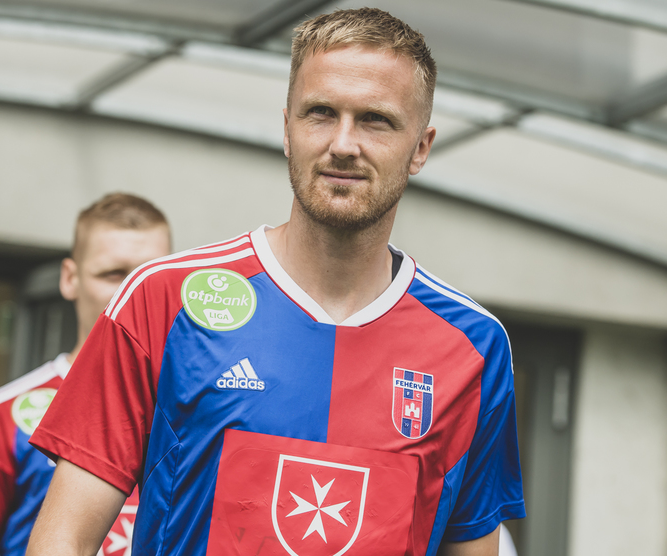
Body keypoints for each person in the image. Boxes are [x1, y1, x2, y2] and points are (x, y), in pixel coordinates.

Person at [28, 8, 525, 556]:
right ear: (287, 129)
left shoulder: (473, 346)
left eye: (375, 120)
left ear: (421, 148)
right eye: (321, 113)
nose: (343, 143)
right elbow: (62, 541)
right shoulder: (162, 299)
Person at [0, 193, 171, 556]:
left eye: (148, 276)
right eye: (113, 274)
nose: (132, 292)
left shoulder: (209, 405)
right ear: (70, 279)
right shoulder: (1, 414)